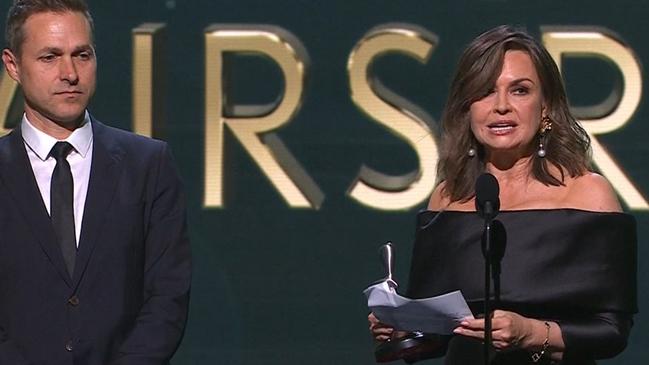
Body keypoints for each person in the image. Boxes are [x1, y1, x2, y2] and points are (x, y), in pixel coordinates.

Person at [368, 25, 637, 364]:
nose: (501, 106)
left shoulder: (588, 194)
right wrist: (401, 329)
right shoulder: (447, 198)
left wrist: (531, 333)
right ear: (467, 109)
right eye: (484, 92)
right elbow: (433, 338)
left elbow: (612, 331)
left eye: (520, 90)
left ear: (546, 109)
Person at [0, 0, 191, 364]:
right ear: (13, 65)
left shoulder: (148, 166)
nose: (69, 73)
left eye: (82, 55)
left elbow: (167, 297)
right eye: (49, 57)